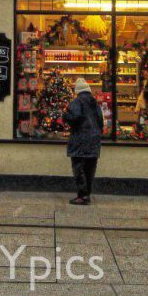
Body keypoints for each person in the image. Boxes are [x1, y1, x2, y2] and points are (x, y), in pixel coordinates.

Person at [64, 78, 104, 206]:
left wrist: (65, 116)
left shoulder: (77, 102)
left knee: (78, 168)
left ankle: (82, 195)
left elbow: (74, 117)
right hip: (94, 140)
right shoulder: (95, 103)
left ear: (77, 91)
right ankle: (87, 194)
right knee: (90, 169)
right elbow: (101, 122)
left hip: (80, 139)